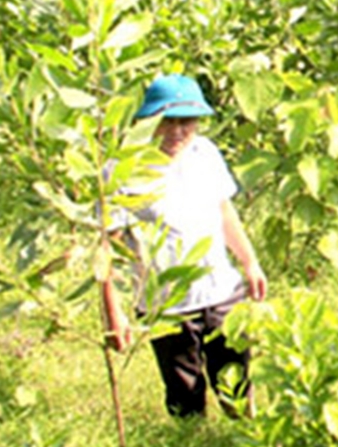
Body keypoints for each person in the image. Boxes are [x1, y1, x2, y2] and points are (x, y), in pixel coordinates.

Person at [101, 73, 268, 418]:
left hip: (220, 290)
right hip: (165, 304)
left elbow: (224, 211)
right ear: (150, 121)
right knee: (184, 394)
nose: (177, 131)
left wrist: (249, 262)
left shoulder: (204, 153)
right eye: (168, 121)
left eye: (186, 121)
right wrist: (113, 312)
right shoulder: (122, 168)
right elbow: (108, 249)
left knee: (236, 385)